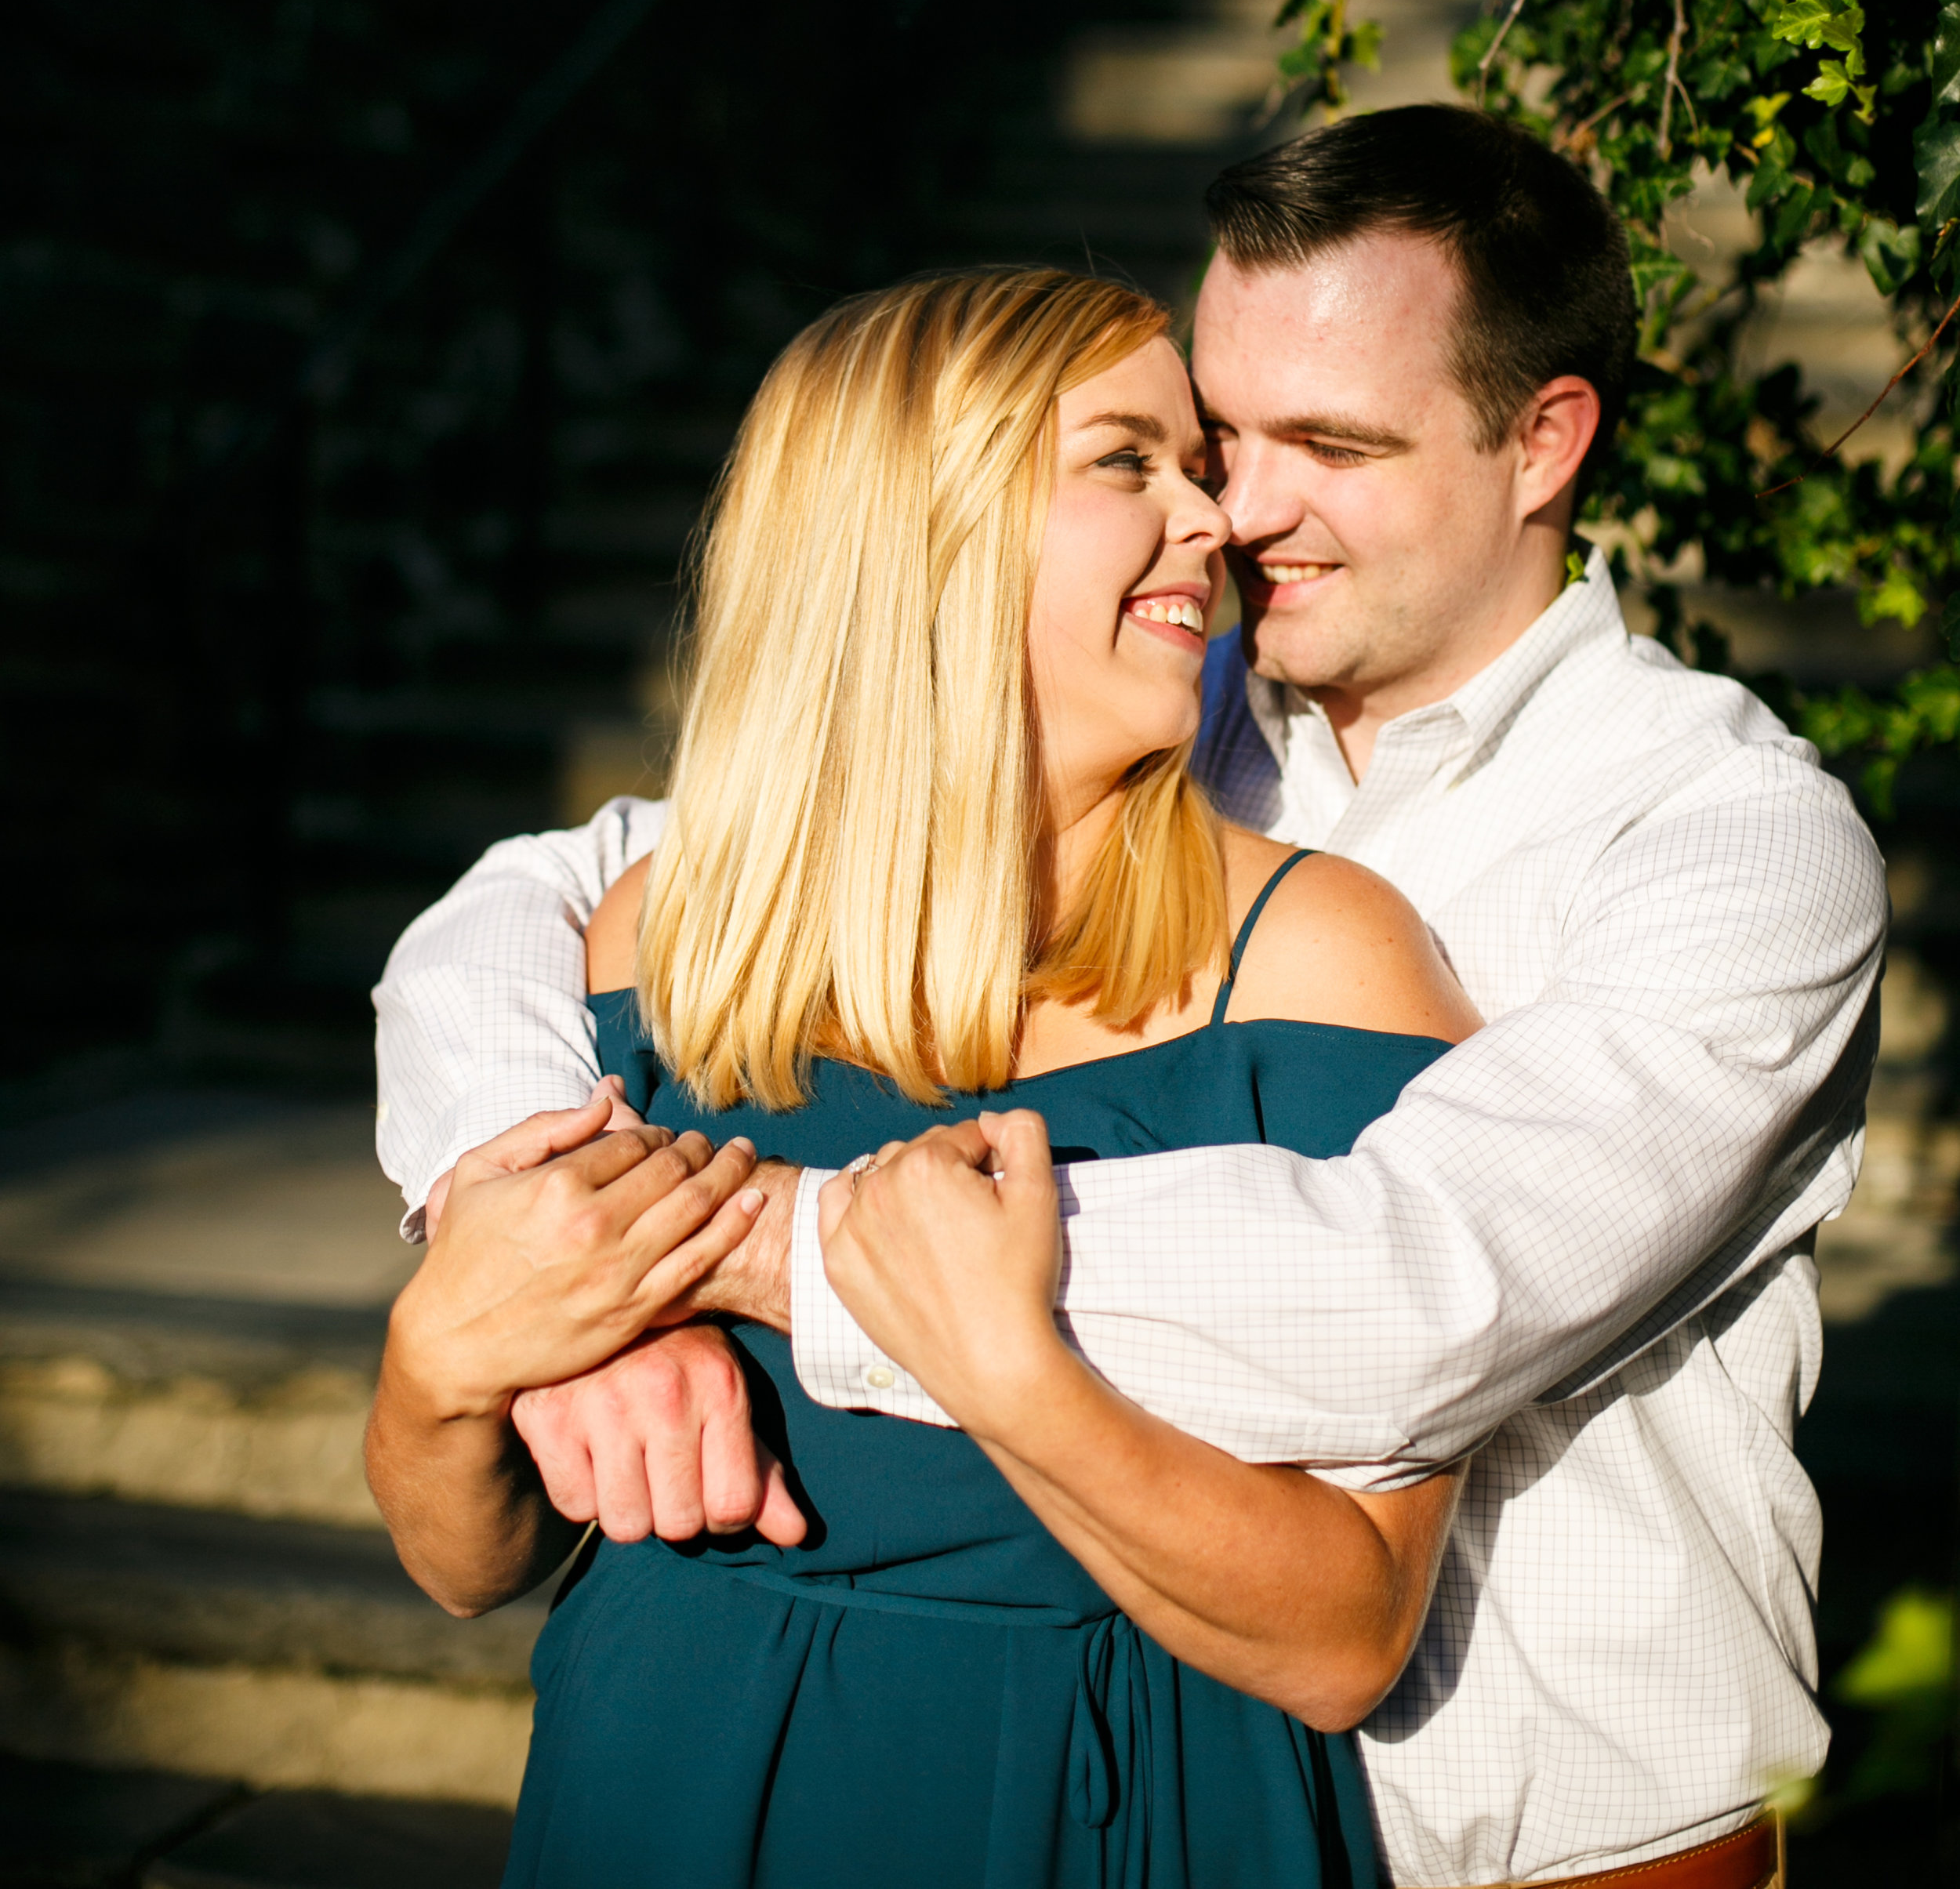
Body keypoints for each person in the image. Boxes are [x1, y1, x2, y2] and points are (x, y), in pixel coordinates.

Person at [376, 104, 1887, 1889]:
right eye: (1206, 438)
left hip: (1520, 1838)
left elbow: (1407, 1283)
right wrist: (516, 1212)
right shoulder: (1149, 714)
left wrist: (733, 1243)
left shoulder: (1718, 834)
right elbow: (540, 893)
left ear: (1540, 440)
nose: (1237, 513)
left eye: (1322, 443)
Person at [368, 266, 1478, 1889]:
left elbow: (1345, 1635)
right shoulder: (662, 942)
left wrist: (1011, 1371)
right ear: (922, 530)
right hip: (662, 1784)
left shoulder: (1328, 961)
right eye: (1129, 462)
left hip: (1118, 1805)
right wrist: (440, 1369)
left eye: (1198, 464)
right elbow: (467, 1564)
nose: (1215, 520)